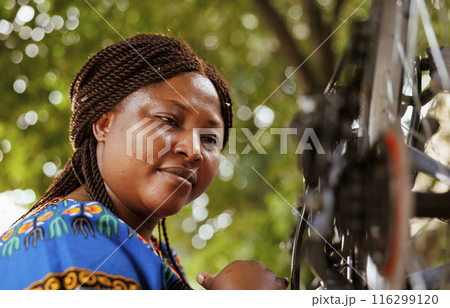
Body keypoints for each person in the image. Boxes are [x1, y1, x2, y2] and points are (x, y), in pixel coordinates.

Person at [0, 33, 288, 290]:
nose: (195, 150)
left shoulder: (150, 251)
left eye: (210, 139)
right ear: (104, 125)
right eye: (168, 121)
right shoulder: (68, 239)